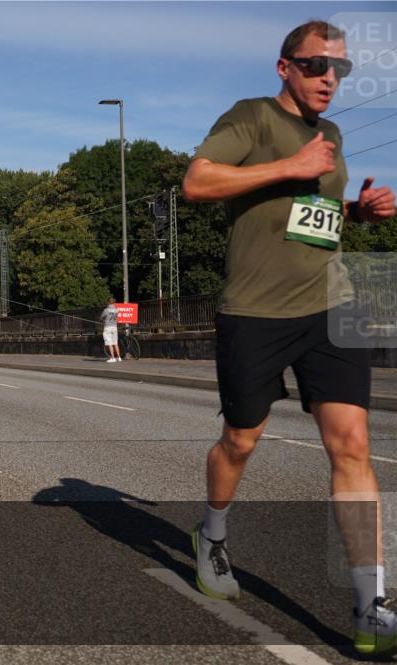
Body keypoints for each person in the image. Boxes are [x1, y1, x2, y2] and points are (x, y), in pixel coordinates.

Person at [182, 19, 397, 655]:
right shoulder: (249, 118)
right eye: (316, 66)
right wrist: (288, 165)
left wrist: (357, 212)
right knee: (241, 439)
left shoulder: (328, 133)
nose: (329, 79)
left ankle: (371, 604)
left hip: (332, 303)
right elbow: (198, 183)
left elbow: (313, 215)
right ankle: (212, 535)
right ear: (285, 68)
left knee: (352, 443)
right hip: (255, 310)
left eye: (340, 70)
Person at [100, 298, 120, 362]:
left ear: (108, 302)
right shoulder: (117, 310)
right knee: (115, 343)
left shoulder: (106, 310)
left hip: (108, 327)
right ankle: (119, 357)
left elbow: (101, 317)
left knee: (109, 343)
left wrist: (104, 320)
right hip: (114, 327)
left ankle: (112, 358)